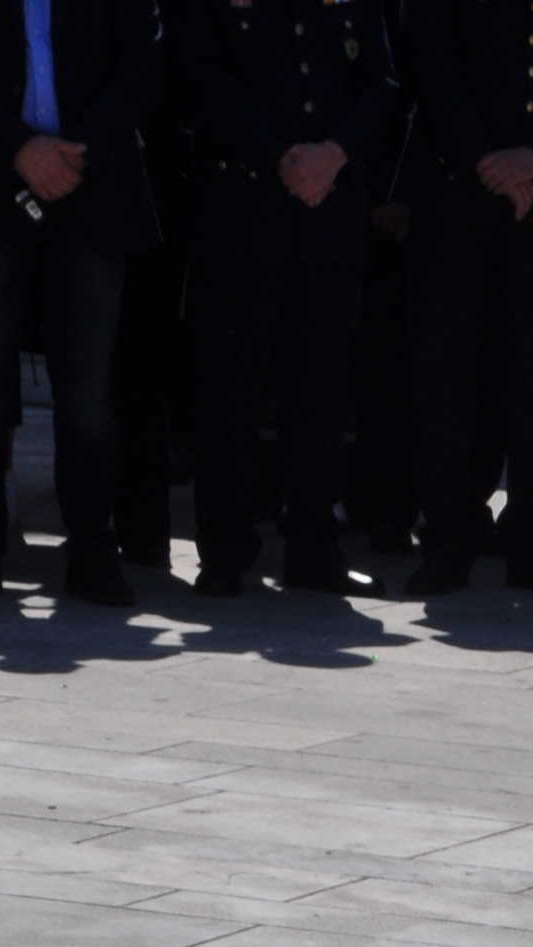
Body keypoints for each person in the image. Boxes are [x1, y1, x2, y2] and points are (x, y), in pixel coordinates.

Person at [0, 0, 159, 602]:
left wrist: (73, 152)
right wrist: (20, 148)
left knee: (88, 392)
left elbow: (141, 60)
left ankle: (93, 552)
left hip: (91, 189)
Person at [168, 0, 399, 595]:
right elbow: (201, 76)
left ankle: (314, 547)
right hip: (243, 205)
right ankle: (224, 551)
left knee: (321, 386)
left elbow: (380, 81)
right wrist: (280, 157)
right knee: (231, 386)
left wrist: (334, 153)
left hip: (329, 205)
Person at [402, 0, 533, 596]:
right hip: (459, 198)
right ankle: (448, 540)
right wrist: (488, 164)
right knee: (452, 383)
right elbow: (432, 66)